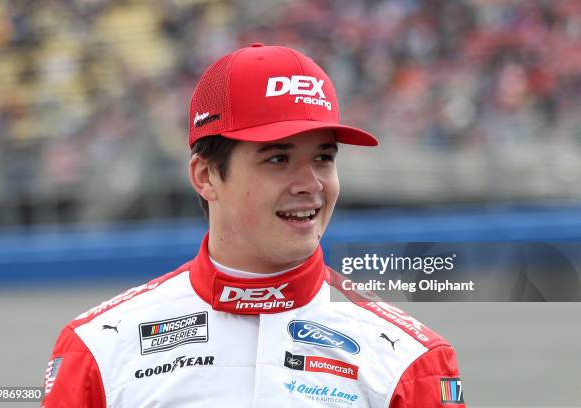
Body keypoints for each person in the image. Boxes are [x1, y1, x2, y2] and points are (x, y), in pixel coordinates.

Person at [42, 43, 465, 407]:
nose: (311, 184)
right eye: (278, 159)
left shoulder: (411, 361)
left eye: (323, 157)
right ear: (205, 176)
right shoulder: (96, 351)